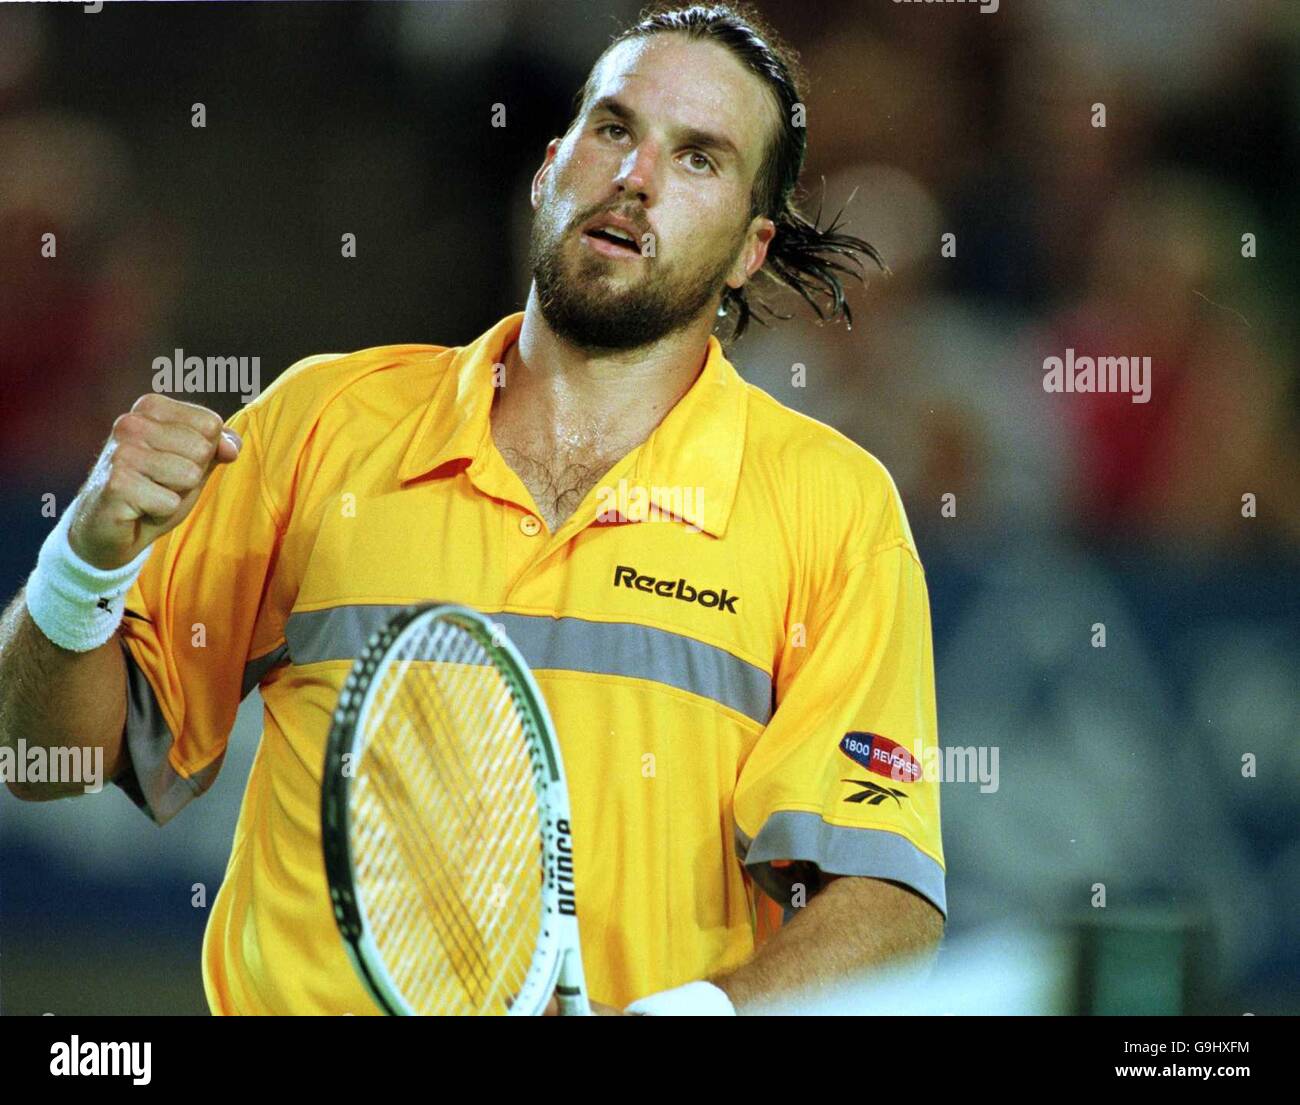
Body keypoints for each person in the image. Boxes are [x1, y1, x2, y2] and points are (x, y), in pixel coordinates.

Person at [0, 2, 945, 1015]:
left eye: (700, 158)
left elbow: (886, 904)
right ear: (549, 167)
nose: (636, 177)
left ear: (750, 249)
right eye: (614, 129)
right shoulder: (323, 424)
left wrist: (704, 1012)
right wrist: (82, 567)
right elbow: (41, 757)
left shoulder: (831, 507)